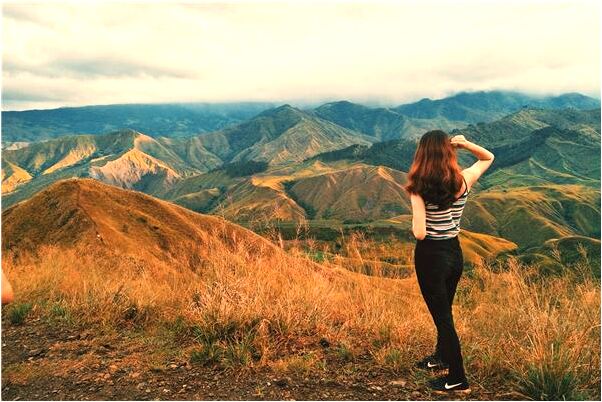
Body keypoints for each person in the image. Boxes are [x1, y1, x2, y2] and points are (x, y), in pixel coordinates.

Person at [404, 130, 494, 394]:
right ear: (449, 152)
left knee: (443, 317)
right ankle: (441, 357)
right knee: (444, 310)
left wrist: (415, 221)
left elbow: (420, 232)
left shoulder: (418, 187)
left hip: (431, 255)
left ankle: (457, 379)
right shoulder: (463, 180)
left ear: (422, 154)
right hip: (454, 253)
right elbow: (488, 157)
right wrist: (465, 144)